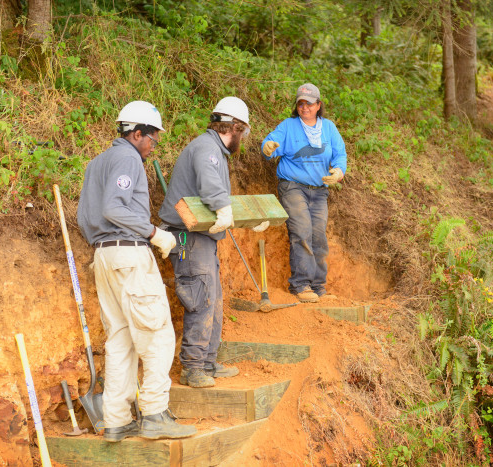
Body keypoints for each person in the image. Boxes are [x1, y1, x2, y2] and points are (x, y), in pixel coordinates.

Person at [76, 100, 196, 442]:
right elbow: (115, 208)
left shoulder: (97, 163)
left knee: (121, 339)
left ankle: (115, 419)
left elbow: (88, 216)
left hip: (103, 256)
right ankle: (155, 414)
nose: (152, 146)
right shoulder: (128, 158)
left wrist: (110, 243)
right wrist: (154, 233)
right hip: (129, 255)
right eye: (152, 139)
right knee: (157, 334)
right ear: (136, 133)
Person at [158, 96, 268, 388]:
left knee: (214, 299)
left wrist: (249, 216)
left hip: (201, 237)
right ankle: (192, 368)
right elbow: (211, 185)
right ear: (234, 126)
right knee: (201, 298)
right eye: (242, 132)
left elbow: (214, 192)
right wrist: (224, 207)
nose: (242, 139)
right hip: (188, 236)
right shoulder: (207, 149)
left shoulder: (214, 150)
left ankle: (207, 362)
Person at [260, 83, 347, 303]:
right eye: (301, 103)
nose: (304, 107)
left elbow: (340, 155)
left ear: (318, 105)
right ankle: (300, 285)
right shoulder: (289, 126)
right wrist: (268, 147)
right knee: (302, 230)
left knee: (318, 236)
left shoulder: (329, 128)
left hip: (319, 192)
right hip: (293, 187)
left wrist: (338, 171)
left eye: (309, 103)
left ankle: (318, 287)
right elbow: (270, 143)